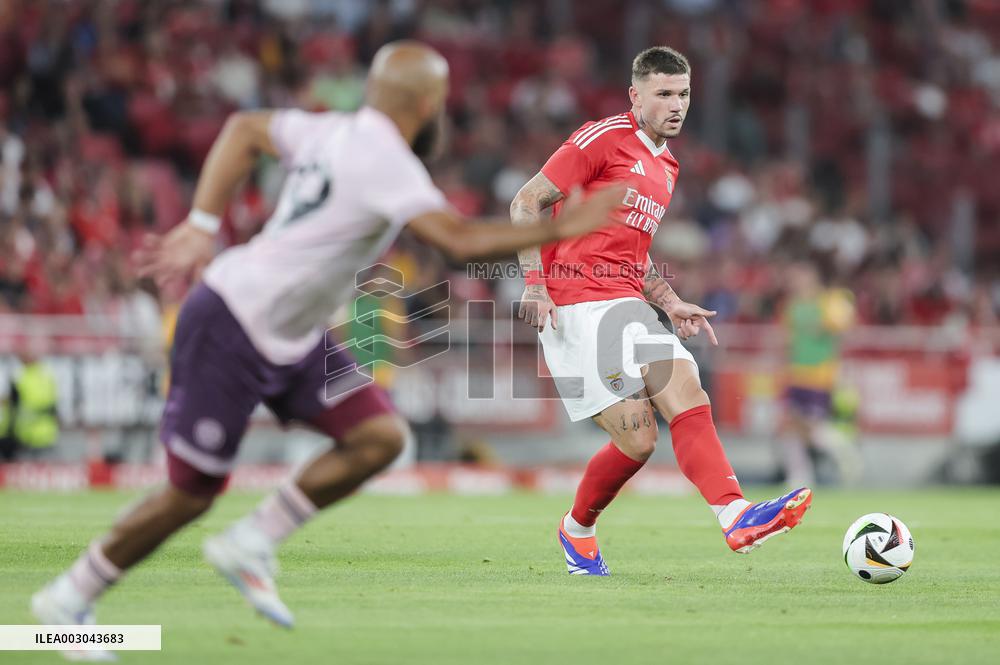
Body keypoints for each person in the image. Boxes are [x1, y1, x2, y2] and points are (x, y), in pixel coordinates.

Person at [31, 39, 623, 642]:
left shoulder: (331, 131)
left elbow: (243, 129)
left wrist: (203, 224)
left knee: (379, 437)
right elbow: (459, 242)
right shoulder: (386, 159)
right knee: (190, 494)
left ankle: (252, 540)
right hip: (234, 322)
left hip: (287, 332)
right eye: (440, 101)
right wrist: (568, 226)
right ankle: (67, 600)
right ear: (426, 103)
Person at [510, 46, 812, 576]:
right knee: (639, 438)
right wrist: (535, 286)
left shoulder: (666, 165)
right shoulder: (602, 139)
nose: (677, 105)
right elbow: (526, 201)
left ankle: (732, 514)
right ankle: (580, 526)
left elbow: (634, 250)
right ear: (636, 95)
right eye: (665, 94)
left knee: (672, 404)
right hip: (576, 305)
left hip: (625, 305)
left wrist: (670, 302)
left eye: (684, 94)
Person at [780, 261, 861, 486]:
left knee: (810, 427)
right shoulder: (792, 305)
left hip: (820, 373)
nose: (796, 281)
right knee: (791, 427)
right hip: (796, 373)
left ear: (813, 277)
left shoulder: (828, 302)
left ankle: (843, 450)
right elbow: (789, 339)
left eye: (800, 276)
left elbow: (845, 326)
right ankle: (800, 477)